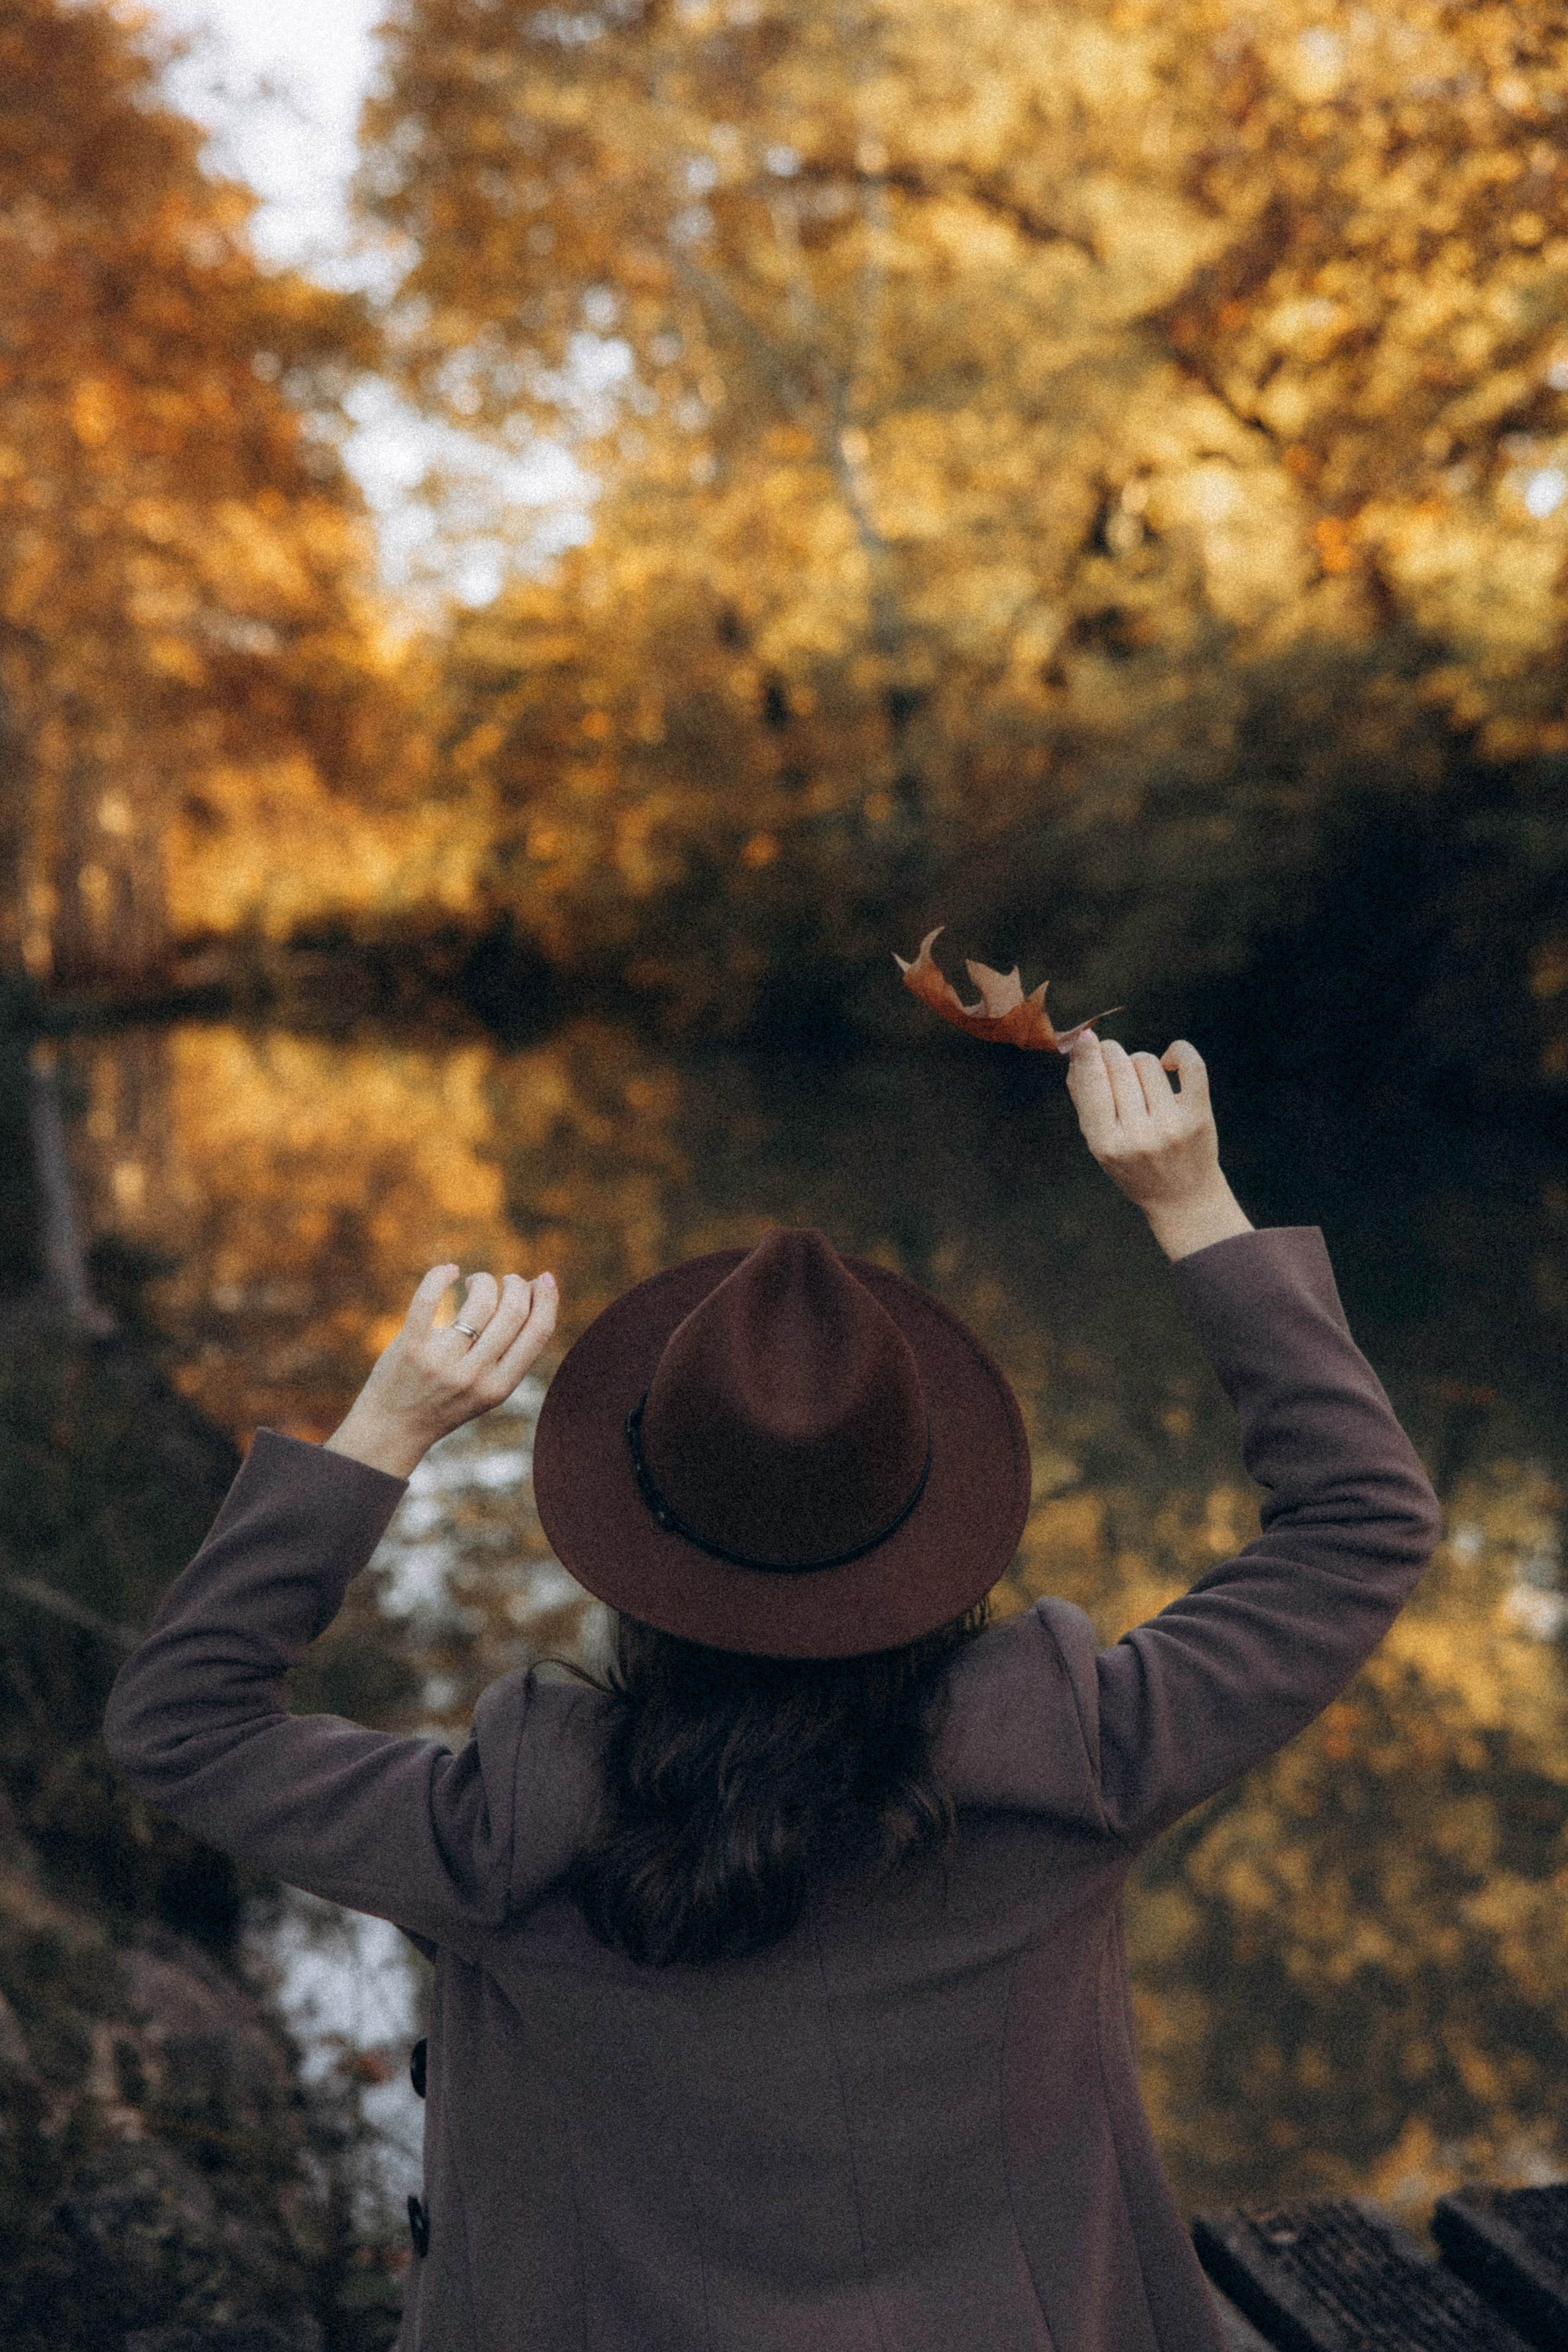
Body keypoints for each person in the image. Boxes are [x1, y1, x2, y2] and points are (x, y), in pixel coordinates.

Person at [104, 1030, 1442, 2352]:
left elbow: (183, 1723)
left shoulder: (500, 1837)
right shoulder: (1083, 1759)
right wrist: (1192, 1204)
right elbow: (1358, 1522)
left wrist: (383, 1431)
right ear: (933, 1523)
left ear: (637, 1546)